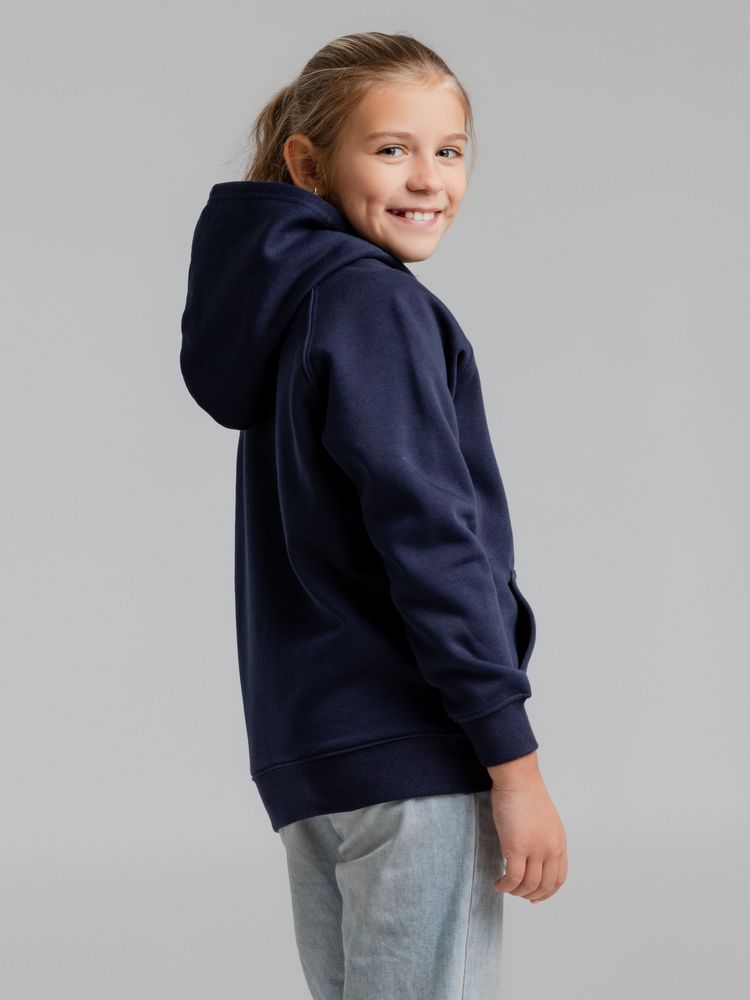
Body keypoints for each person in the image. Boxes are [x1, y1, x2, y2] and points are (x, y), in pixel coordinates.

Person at [180, 30, 567, 1000]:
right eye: (392, 148)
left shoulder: (293, 309)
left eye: (450, 149)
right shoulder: (372, 305)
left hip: (316, 759)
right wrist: (514, 765)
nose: (428, 178)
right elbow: (432, 542)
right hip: (411, 752)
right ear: (309, 164)